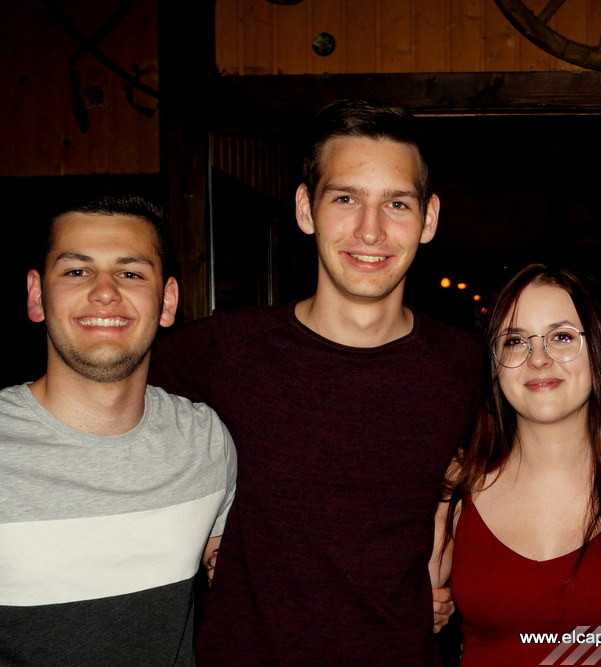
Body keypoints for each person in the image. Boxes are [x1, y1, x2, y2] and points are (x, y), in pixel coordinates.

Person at [148, 99, 477, 665]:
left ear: (428, 219)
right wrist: (198, 529)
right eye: (345, 198)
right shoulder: (225, 351)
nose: (370, 230)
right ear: (306, 209)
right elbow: (106, 410)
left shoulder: (464, 365)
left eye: (396, 203)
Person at [0, 194, 236, 664]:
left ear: (167, 301)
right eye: (77, 271)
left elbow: (231, 567)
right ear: (37, 295)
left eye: (131, 273)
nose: (105, 291)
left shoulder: (205, 442)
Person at [430, 264, 601, 665]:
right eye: (514, 341)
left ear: (597, 349)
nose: (538, 359)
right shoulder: (458, 480)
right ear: (493, 363)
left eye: (561, 337)